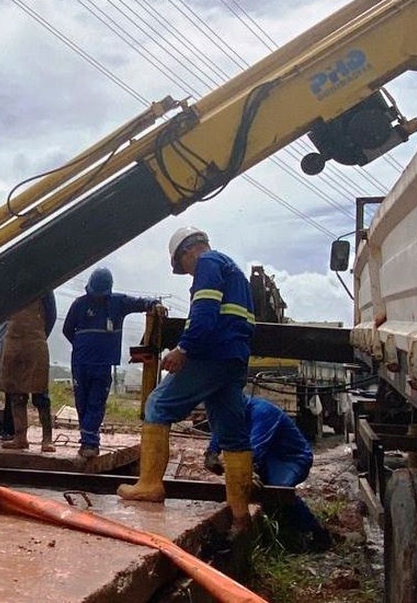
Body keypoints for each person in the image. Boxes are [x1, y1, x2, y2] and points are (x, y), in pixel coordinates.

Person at [118, 226, 256, 533]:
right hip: (234, 359)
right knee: (233, 434)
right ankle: (240, 516)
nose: (189, 274)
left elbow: (205, 314)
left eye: (184, 267)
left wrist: (184, 349)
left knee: (158, 405)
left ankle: (150, 485)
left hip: (210, 355)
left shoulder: (208, 264)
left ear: (188, 251)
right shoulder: (235, 273)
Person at [204, 396, 332, 550]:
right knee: (257, 489)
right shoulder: (233, 413)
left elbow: (255, 450)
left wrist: (244, 471)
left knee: (278, 491)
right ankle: (274, 524)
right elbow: (222, 431)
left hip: (290, 458)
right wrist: (211, 453)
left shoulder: (263, 412)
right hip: (267, 458)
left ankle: (315, 533)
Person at [63, 267, 160, 458]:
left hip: (103, 363)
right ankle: (87, 439)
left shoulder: (118, 302)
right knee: (82, 402)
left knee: (96, 401)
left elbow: (141, 303)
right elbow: (67, 330)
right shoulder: (79, 304)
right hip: (81, 363)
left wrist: (154, 303)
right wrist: (83, 346)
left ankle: (90, 443)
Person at [0, 291, 58, 453]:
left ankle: (47, 438)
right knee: (15, 392)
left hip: (35, 340)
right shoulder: (10, 286)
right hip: (13, 340)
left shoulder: (44, 285)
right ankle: (20, 436)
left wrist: (39, 335)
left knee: (40, 394)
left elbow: (52, 315)